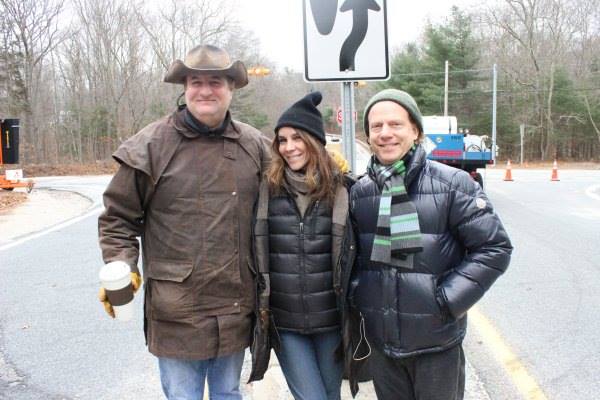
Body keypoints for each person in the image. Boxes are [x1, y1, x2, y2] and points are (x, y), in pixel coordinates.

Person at [97, 44, 270, 400]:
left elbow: (293, 190)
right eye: (196, 81)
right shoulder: (150, 146)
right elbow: (118, 218)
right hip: (177, 308)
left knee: (228, 395)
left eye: (216, 82)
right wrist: (121, 265)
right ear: (184, 87)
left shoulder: (254, 145)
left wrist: (324, 165)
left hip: (235, 306)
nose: (205, 90)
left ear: (231, 88)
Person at [348, 89, 513, 400]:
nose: (385, 134)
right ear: (368, 135)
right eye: (376, 126)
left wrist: (447, 300)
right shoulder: (361, 193)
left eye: (395, 124)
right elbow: (355, 259)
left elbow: (495, 248)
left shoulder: (453, 184)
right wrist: (361, 294)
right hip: (382, 347)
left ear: (416, 131)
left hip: (436, 346)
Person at [251, 91, 355, 400]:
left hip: (332, 322)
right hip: (287, 324)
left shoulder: (344, 190)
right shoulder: (267, 190)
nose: (289, 147)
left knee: (330, 396)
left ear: (315, 141)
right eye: (282, 140)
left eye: (297, 137)